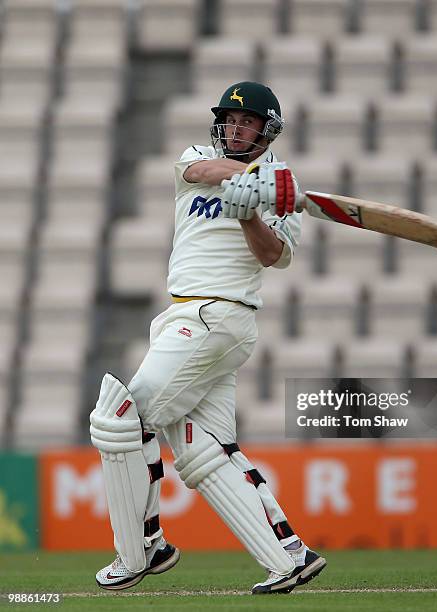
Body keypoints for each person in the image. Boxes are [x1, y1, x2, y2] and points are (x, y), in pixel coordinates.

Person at [89, 81, 326, 595]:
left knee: (119, 418)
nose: (236, 128)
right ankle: (289, 555)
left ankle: (141, 547)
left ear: (268, 131)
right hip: (189, 317)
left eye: (248, 122)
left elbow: (272, 256)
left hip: (215, 317)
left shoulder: (283, 191)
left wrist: (250, 212)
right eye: (231, 120)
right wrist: (252, 179)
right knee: (205, 453)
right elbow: (199, 172)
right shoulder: (200, 157)